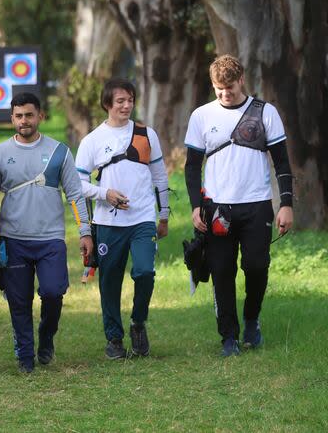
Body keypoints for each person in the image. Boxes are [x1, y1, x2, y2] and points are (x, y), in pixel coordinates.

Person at [184, 54, 293, 357]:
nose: (225, 94)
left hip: (257, 204)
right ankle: (229, 337)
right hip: (217, 207)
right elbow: (192, 167)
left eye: (229, 87)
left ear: (242, 79)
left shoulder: (265, 112)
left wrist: (286, 204)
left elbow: (282, 162)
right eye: (219, 89)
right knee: (221, 271)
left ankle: (251, 320)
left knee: (257, 266)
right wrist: (196, 207)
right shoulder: (201, 116)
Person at [0, 93, 93, 373]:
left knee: (54, 292)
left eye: (29, 115)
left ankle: (46, 337)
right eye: (18, 116)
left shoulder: (59, 151)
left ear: (40, 116)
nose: (24, 121)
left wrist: (85, 231)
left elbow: (76, 195)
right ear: (12, 118)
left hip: (50, 239)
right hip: (13, 239)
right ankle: (25, 356)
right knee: (19, 300)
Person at [75, 79, 170, 359]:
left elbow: (160, 176)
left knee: (144, 272)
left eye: (130, 100)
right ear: (107, 104)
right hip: (108, 222)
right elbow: (77, 183)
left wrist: (163, 215)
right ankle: (114, 339)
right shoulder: (92, 140)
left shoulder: (146, 134)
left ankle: (138, 323)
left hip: (142, 219)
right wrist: (105, 193)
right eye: (120, 101)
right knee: (110, 281)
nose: (126, 106)